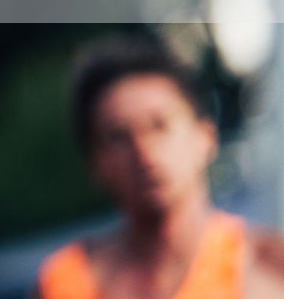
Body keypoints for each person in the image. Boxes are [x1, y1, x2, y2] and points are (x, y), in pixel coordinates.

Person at [37, 35, 284, 298]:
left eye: (159, 125)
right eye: (119, 135)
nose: (144, 152)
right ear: (95, 164)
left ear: (206, 138)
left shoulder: (271, 270)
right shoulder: (66, 282)